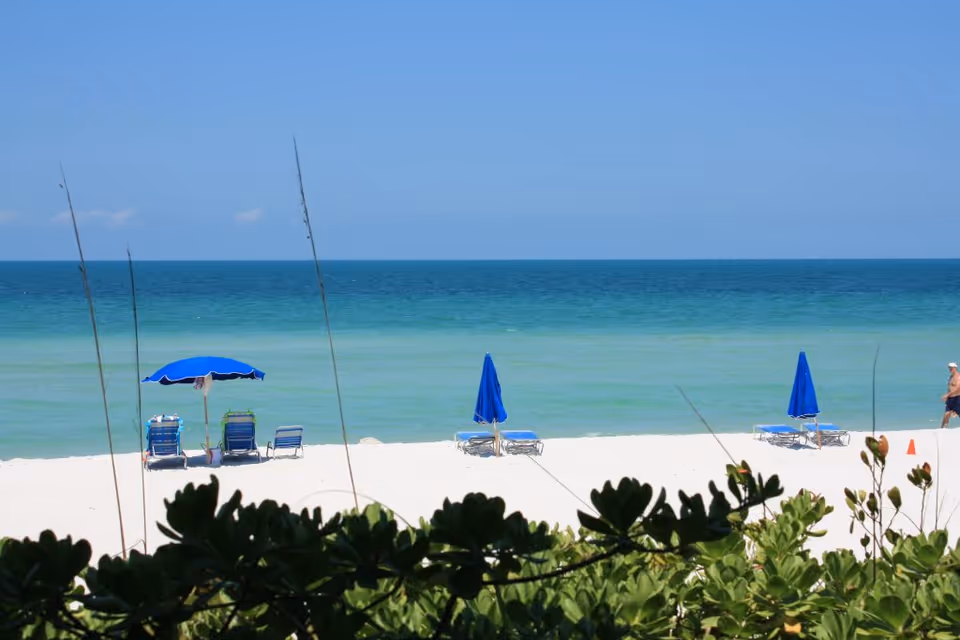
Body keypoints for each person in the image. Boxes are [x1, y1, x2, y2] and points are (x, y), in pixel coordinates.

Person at [941, 362, 960, 428]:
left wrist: (947, 395)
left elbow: (958, 388)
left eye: (951, 368)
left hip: (957, 398)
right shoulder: (951, 377)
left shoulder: (958, 377)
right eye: (949, 368)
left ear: (955, 368)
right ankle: (942, 429)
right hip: (950, 399)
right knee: (946, 415)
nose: (950, 369)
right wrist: (947, 396)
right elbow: (950, 388)